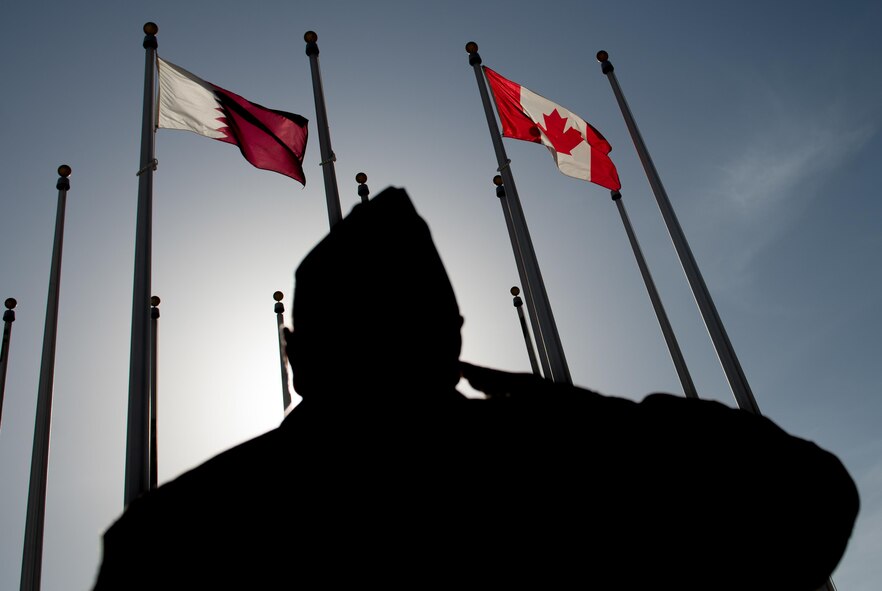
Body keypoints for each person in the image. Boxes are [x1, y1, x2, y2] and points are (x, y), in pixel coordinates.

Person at [93, 187, 858, 590]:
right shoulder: (577, 477)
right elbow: (810, 501)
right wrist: (585, 419)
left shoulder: (179, 533)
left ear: (295, 352)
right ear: (454, 338)